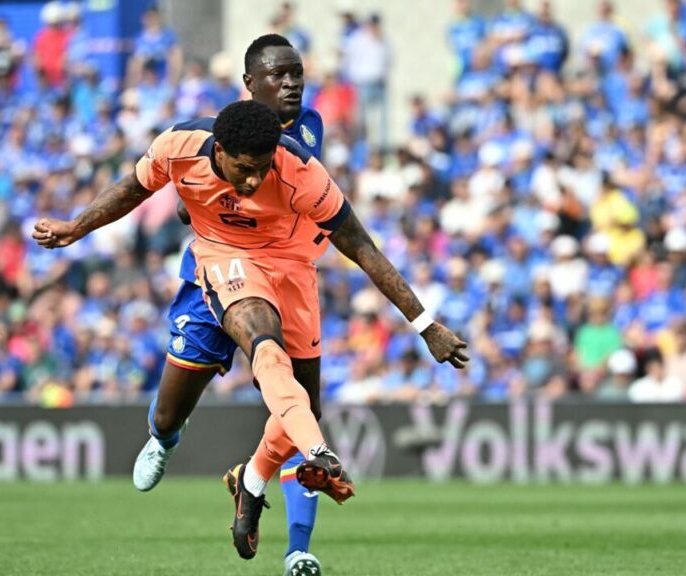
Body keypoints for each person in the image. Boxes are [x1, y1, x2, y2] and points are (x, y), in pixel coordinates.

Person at [33, 100, 469, 566]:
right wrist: (75, 228)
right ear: (221, 147)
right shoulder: (179, 145)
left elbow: (361, 246)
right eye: (244, 169)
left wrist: (425, 324)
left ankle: (254, 481)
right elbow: (132, 190)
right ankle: (173, 437)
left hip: (293, 271)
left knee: (304, 403)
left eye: (262, 169)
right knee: (237, 365)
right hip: (225, 259)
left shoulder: (300, 164)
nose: (254, 181)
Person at [135, 34, 328, 576]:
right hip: (212, 275)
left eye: (296, 74)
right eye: (278, 77)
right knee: (172, 409)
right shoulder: (210, 134)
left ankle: (296, 546)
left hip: (282, 277)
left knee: (299, 415)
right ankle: (164, 438)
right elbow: (186, 194)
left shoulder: (307, 127)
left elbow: (288, 186)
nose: (291, 85)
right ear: (250, 86)